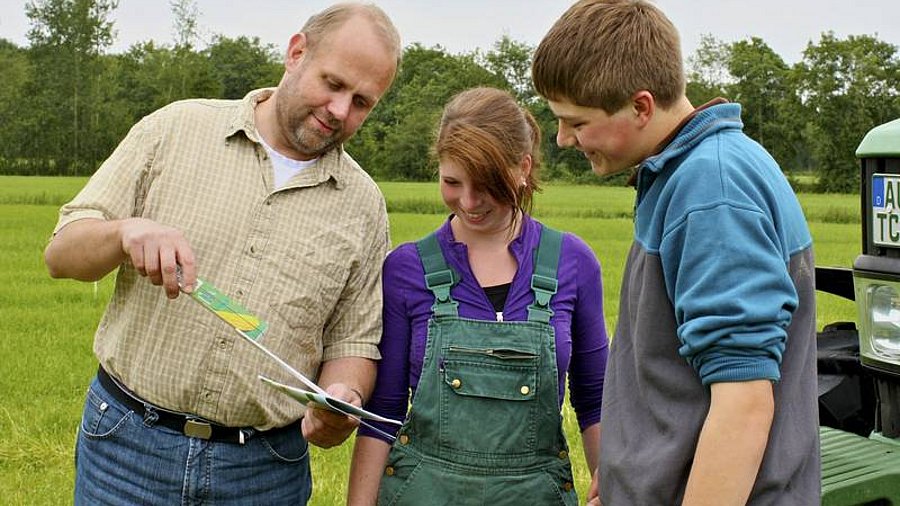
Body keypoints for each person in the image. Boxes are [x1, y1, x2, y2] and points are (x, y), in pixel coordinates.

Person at [43, 3, 400, 504]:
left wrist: (344, 398)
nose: (340, 111)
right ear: (296, 53)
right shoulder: (174, 129)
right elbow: (62, 255)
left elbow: (354, 343)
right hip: (126, 449)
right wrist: (124, 232)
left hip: (265, 472)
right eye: (334, 84)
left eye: (363, 102)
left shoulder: (364, 206)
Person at [531, 1, 820, 504]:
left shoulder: (711, 191)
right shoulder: (686, 171)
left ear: (641, 106)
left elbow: (743, 404)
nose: (562, 139)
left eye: (576, 122)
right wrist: (625, 470)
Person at [346, 86, 609, 505]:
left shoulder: (572, 262)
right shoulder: (406, 268)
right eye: (452, 181)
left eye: (486, 184)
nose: (467, 201)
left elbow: (595, 399)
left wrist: (609, 488)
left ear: (522, 168)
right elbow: (385, 410)